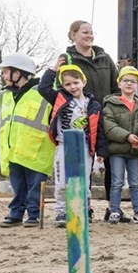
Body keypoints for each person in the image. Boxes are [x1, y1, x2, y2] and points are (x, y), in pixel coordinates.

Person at [0, 54, 55, 228]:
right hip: (14, 150)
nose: (3, 76)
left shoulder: (42, 92)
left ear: (18, 73)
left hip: (36, 149)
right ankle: (16, 214)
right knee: (18, 186)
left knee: (34, 187)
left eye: (6, 72)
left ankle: (34, 215)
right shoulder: (6, 95)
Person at [63, 20, 124, 220]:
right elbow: (62, 88)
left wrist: (111, 107)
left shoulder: (105, 58)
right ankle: (84, 207)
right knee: (84, 164)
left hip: (105, 116)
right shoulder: (68, 60)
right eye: (84, 32)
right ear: (73, 35)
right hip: (82, 118)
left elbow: (117, 87)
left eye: (91, 32)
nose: (89, 35)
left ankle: (112, 207)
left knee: (110, 162)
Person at [38, 59, 108, 227]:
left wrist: (101, 152)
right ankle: (61, 211)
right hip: (64, 145)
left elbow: (99, 130)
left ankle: (81, 210)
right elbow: (43, 88)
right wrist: (54, 69)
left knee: (83, 181)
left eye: (76, 83)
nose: (73, 87)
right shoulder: (60, 98)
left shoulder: (94, 105)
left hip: (84, 147)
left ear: (83, 82)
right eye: (67, 84)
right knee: (62, 182)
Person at [102, 66, 138, 224]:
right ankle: (114, 210)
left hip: (135, 151)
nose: (129, 84)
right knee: (116, 182)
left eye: (133, 81)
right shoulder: (110, 105)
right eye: (126, 80)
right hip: (117, 151)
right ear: (119, 84)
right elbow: (109, 127)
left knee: (135, 183)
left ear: (137, 85)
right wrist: (128, 137)